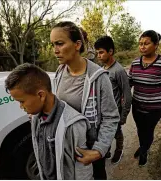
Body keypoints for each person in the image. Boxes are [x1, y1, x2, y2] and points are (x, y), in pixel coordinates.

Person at [50, 21, 119, 180]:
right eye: (53, 44)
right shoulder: (60, 72)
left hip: (90, 150)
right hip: (68, 146)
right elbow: (60, 106)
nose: (55, 50)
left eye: (60, 43)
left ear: (77, 44)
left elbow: (111, 117)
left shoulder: (99, 78)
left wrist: (97, 151)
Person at [5, 63, 93, 180]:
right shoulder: (36, 117)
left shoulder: (73, 125)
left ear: (41, 95)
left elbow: (83, 168)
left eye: (22, 101)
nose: (21, 107)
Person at [128, 30, 161, 166]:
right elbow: (130, 82)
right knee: (140, 129)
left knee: (148, 131)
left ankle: (144, 150)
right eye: (140, 43)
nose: (142, 46)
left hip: (155, 108)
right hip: (137, 106)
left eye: (146, 43)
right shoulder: (135, 62)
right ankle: (144, 146)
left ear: (156, 45)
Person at [94, 36, 132, 164]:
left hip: (114, 111)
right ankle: (107, 150)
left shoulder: (119, 71)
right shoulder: (102, 69)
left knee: (116, 132)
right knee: (105, 132)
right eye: (97, 53)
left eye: (101, 52)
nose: (98, 56)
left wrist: (124, 115)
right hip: (103, 111)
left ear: (110, 52)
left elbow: (127, 94)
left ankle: (119, 150)